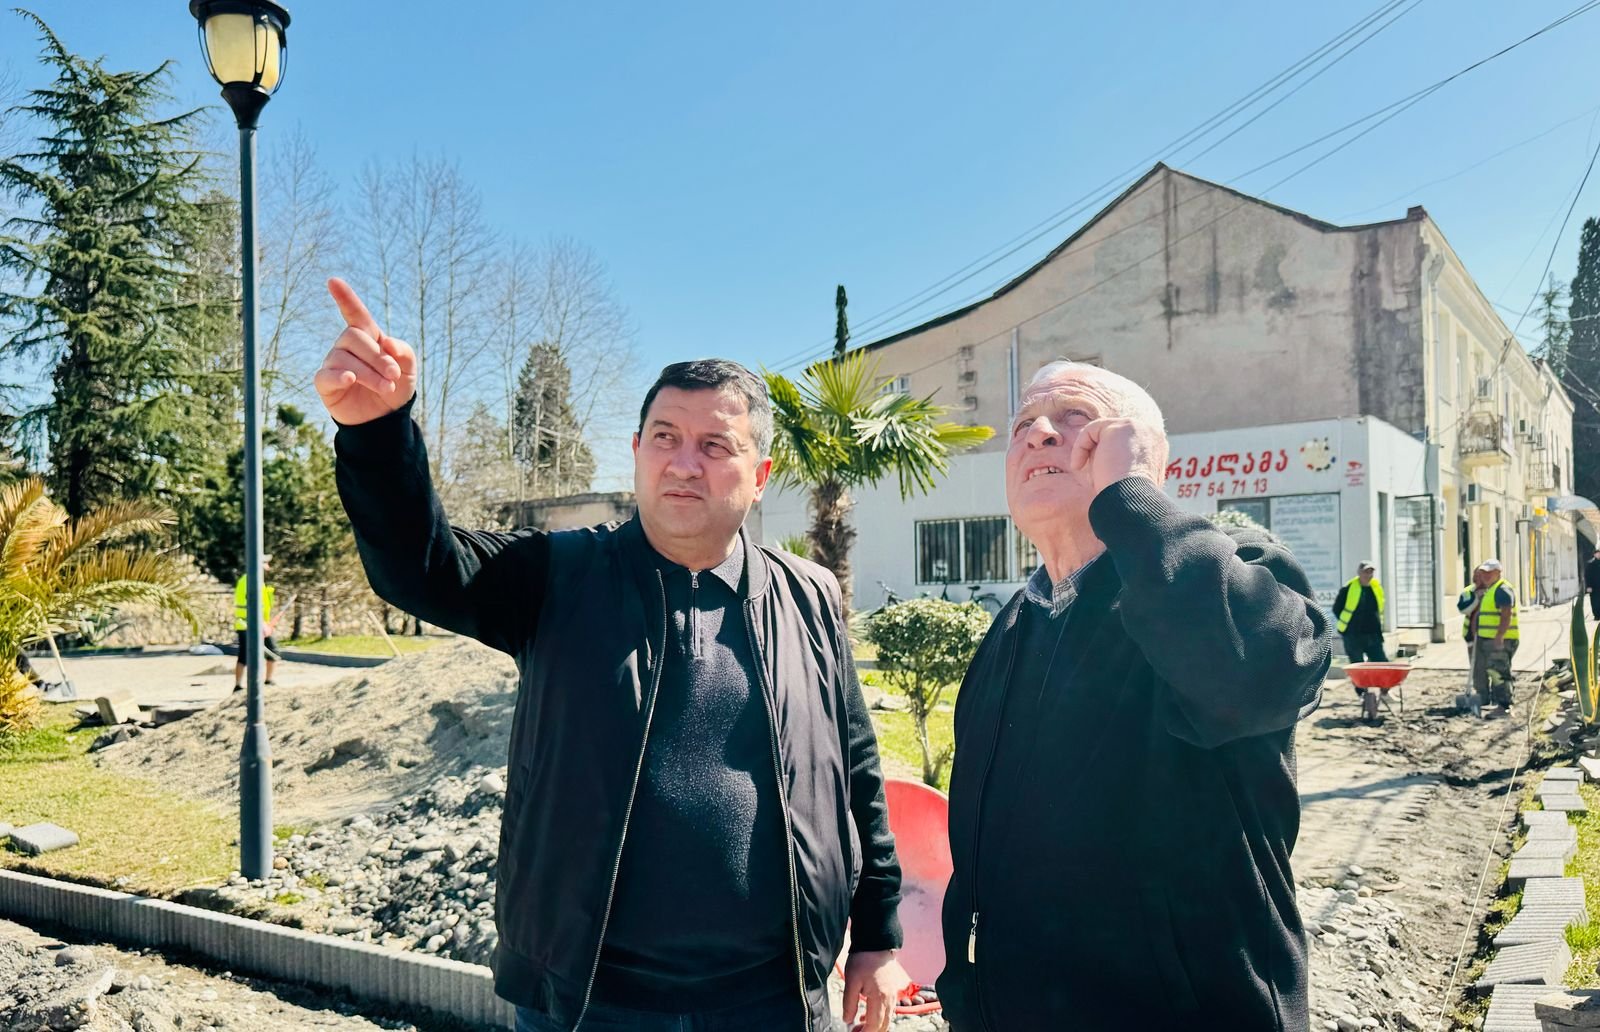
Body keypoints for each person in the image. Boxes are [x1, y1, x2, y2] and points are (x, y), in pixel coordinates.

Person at [317, 279, 907, 1032]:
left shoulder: (809, 595)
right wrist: (377, 433)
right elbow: (421, 569)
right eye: (664, 437)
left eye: (715, 445)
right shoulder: (559, 576)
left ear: (759, 478)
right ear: (635, 452)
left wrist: (877, 936)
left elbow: (857, 772)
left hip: (775, 1000)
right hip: (592, 1003)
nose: (684, 463)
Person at [936, 361, 1331, 1030]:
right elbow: (977, 843)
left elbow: (1251, 678)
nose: (1038, 433)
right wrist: (964, 991)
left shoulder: (1229, 570)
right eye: (1023, 423)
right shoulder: (1013, 626)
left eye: (1076, 418)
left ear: (1144, 458)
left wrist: (1132, 499)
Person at [1458, 559, 1519, 709]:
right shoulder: (1488, 590)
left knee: (1498, 673)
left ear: (1498, 573)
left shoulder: (1502, 590)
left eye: (1488, 573)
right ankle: (1491, 702)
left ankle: (1504, 706)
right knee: (1487, 671)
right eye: (1482, 573)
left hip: (1499, 640)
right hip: (1484, 638)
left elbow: (1506, 615)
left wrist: (1499, 636)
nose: (1484, 576)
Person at [233, 554, 278, 692]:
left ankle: (267, 680)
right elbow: (253, 604)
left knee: (270, 652)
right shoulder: (251, 580)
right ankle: (240, 685)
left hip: (257, 624)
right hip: (250, 624)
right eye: (264, 563)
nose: (267, 566)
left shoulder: (253, 580)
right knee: (248, 655)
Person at [1332, 560, 1388, 668]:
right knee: (1358, 667)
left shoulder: (1376, 588)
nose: (1368, 575)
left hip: (1373, 635)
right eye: (1366, 572)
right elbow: (1336, 609)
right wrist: (1349, 624)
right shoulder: (1348, 589)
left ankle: (1381, 680)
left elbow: (1379, 609)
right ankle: (1360, 681)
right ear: (1359, 572)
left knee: (1381, 664)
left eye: (1371, 572)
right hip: (1353, 635)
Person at [1586, 549, 1600, 621]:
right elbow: (1587, 576)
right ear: (1594, 554)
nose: (1599, 555)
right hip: (1594, 586)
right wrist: (1588, 586)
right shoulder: (1590, 563)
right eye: (1597, 553)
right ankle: (1596, 615)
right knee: (1595, 601)